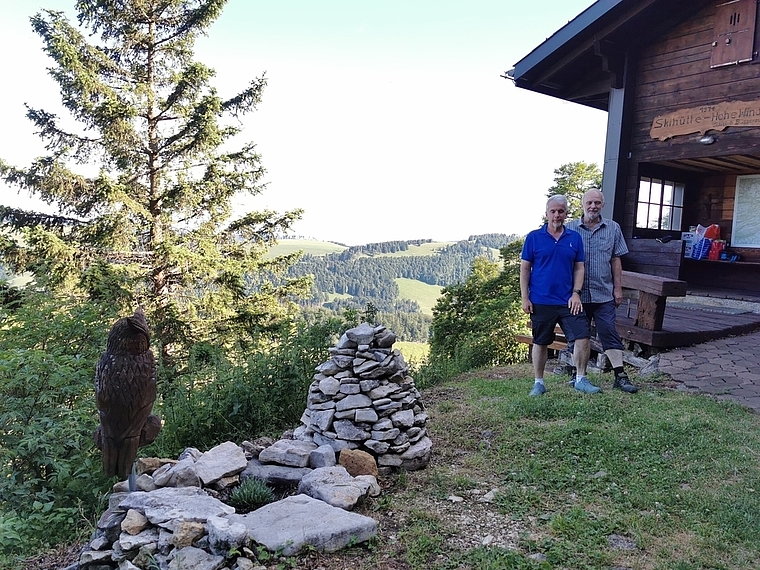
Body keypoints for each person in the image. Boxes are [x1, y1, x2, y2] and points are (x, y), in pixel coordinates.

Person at [520, 195, 600, 396]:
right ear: (546, 213)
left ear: (566, 213)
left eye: (561, 211)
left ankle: (580, 379)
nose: (557, 215)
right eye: (553, 211)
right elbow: (525, 270)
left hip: (568, 300)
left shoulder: (574, 238)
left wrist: (576, 293)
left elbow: (579, 269)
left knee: (582, 336)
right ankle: (538, 383)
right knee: (540, 341)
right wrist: (525, 297)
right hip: (540, 300)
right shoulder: (533, 237)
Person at [566, 189, 638, 393]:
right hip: (577, 295)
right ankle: (576, 374)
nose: (593, 206)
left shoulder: (613, 228)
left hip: (603, 293)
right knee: (578, 335)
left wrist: (618, 288)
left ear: (602, 205)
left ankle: (620, 376)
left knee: (609, 332)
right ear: (582, 204)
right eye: (589, 202)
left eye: (597, 203)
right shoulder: (570, 229)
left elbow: (616, 260)